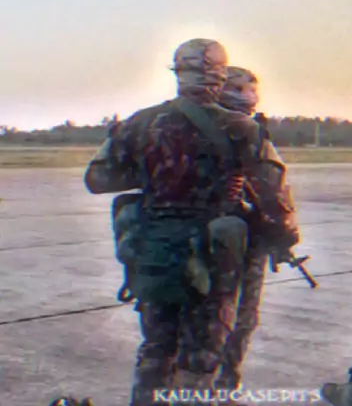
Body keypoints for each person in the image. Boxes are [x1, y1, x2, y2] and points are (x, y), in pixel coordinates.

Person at [83, 39, 300, 406]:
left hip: (157, 249)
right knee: (202, 356)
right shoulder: (242, 128)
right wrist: (283, 237)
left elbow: (98, 179)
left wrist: (158, 175)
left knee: (156, 347)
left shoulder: (140, 123)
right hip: (213, 258)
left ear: (178, 72)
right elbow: (275, 201)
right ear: (220, 76)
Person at [216, 66, 293, 392]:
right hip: (241, 240)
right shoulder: (246, 131)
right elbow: (273, 194)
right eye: (239, 88)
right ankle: (224, 388)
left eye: (251, 88)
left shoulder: (183, 125)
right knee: (240, 318)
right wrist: (285, 235)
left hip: (198, 238)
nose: (249, 95)